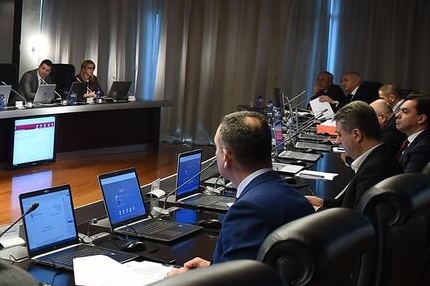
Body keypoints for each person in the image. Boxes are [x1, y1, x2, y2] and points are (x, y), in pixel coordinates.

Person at [169, 111, 313, 273]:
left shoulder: (247, 210)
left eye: (217, 148)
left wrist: (185, 280)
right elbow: (253, 264)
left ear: (226, 157)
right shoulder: (296, 197)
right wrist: (213, 268)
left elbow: (234, 283)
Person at [308, 101, 400, 211]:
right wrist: (322, 203)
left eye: (339, 135)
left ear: (357, 135)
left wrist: (316, 210)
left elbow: (357, 217)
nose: (337, 141)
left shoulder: (374, 170)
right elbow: (349, 204)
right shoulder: (378, 157)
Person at [394, 93, 430, 173]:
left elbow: (408, 179)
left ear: (421, 119)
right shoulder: (410, 140)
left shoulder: (423, 148)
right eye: (400, 110)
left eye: (405, 111)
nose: (397, 115)